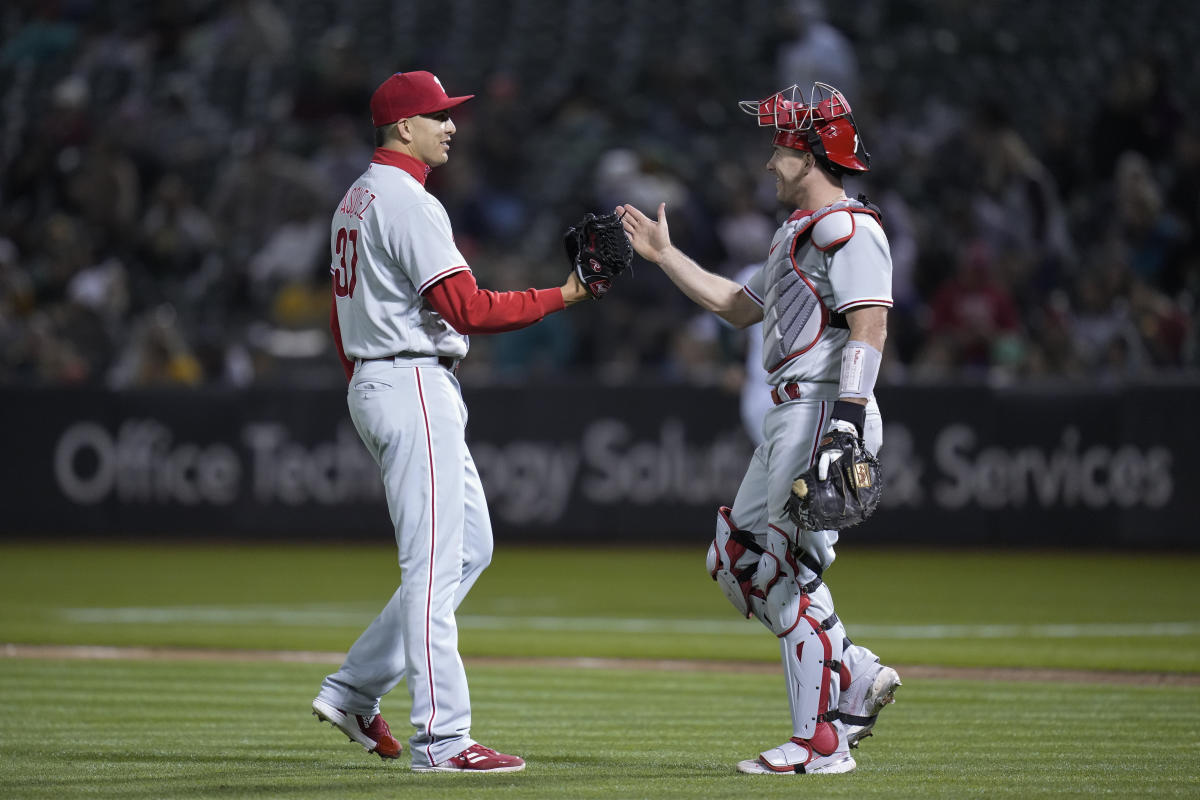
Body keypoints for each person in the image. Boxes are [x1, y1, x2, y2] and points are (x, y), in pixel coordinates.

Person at [312, 70, 591, 773]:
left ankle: (354, 689)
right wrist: (566, 292)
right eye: (438, 115)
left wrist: (365, 390)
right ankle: (442, 739)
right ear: (403, 126)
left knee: (469, 548)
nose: (452, 126)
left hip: (388, 377)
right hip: (408, 378)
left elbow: (345, 321)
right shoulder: (407, 201)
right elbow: (468, 308)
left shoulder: (356, 198)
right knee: (435, 567)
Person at [618, 81, 900, 775]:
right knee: (738, 558)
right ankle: (854, 670)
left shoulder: (848, 226)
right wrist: (666, 256)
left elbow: (872, 324)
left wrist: (849, 420)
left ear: (810, 152)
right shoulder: (796, 234)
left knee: (784, 570)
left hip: (823, 409)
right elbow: (737, 307)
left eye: (780, 146)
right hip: (789, 412)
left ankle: (820, 743)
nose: (769, 160)